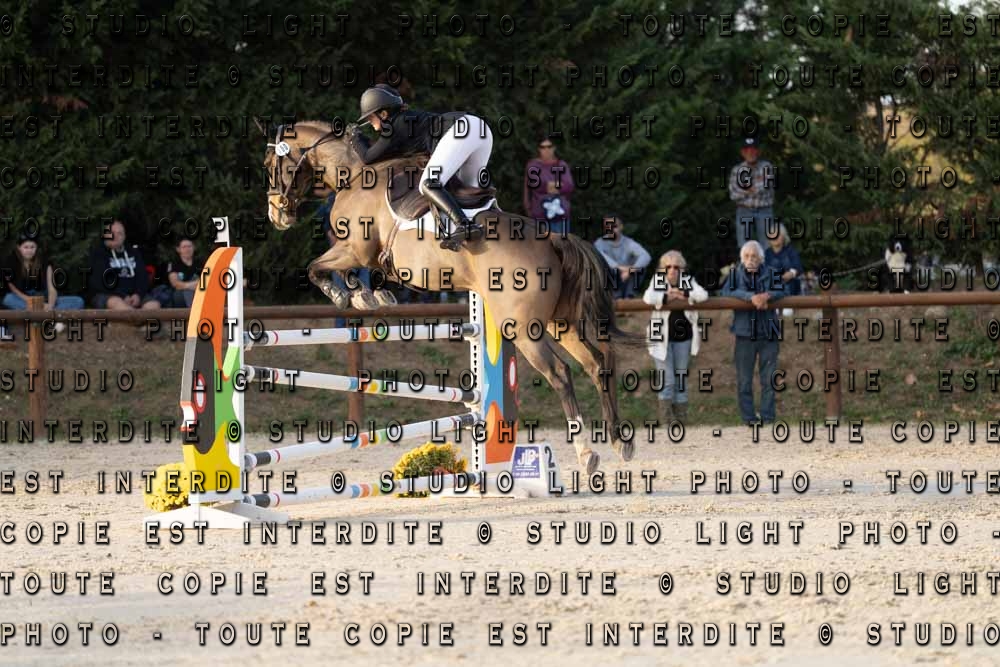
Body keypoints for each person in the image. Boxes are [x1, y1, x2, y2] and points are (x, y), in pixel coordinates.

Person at [349, 84, 493, 251]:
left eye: (370, 117)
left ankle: (464, 226)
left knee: (428, 183)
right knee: (467, 194)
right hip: (479, 130)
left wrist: (355, 137)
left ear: (383, 114)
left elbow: (368, 158)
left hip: (462, 130)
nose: (369, 122)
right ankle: (491, 218)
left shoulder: (394, 127)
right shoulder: (405, 120)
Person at [723, 241, 787, 425]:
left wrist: (767, 296)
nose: (750, 259)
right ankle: (749, 418)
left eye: (754, 256)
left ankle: (768, 418)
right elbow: (726, 291)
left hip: (769, 332)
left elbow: (784, 289)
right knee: (744, 380)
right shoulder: (735, 274)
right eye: (746, 256)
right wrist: (750, 297)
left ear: (761, 258)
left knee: (769, 379)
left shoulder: (772, 272)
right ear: (742, 259)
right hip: (744, 333)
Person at [642, 250, 708, 425]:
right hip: (659, 338)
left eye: (676, 267)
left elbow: (703, 295)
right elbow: (648, 297)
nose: (672, 270)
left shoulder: (687, 280)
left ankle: (681, 420)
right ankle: (666, 421)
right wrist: (667, 297)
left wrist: (684, 294)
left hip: (684, 338)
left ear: (681, 269)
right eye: (668, 266)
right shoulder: (658, 280)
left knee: (680, 379)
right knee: (668, 380)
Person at [3, 232, 84, 332]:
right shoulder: (11, 262)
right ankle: (50, 319)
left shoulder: (44, 262)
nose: (29, 250)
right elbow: (13, 289)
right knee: (8, 299)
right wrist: (34, 303)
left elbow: (52, 289)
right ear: (19, 248)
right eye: (26, 247)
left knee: (78, 301)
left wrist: (50, 306)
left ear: (36, 248)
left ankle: (43, 318)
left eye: (32, 247)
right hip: (24, 299)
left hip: (44, 299)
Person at [88, 219, 161, 312]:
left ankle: (137, 319)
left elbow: (143, 277)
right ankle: (136, 318)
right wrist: (122, 295)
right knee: (117, 304)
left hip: (134, 295)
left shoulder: (134, 253)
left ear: (124, 236)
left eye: (119, 233)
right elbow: (100, 281)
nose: (115, 236)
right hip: (108, 295)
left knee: (154, 305)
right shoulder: (98, 254)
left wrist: (138, 295)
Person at [728, 137, 775, 251]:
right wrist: (755, 184)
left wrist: (743, 187)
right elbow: (733, 195)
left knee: (767, 245)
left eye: (753, 150)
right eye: (747, 150)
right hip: (744, 210)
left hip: (764, 210)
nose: (750, 153)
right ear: (742, 153)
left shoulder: (767, 167)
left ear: (758, 151)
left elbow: (765, 187)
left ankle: (766, 264)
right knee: (744, 246)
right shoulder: (737, 170)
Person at [523, 135, 574, 236]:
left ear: (554, 148)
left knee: (561, 245)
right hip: (539, 216)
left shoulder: (561, 164)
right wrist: (555, 185)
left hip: (560, 217)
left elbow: (569, 186)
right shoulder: (533, 165)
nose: (546, 150)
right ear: (539, 149)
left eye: (549, 147)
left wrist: (549, 186)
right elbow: (535, 185)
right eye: (543, 147)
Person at [593, 216, 651, 299]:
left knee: (641, 268)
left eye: (614, 226)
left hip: (626, 278)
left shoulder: (628, 242)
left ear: (621, 227)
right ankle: (616, 297)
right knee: (606, 268)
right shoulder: (599, 243)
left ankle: (629, 296)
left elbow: (646, 256)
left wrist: (631, 271)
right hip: (611, 281)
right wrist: (622, 268)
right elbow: (603, 259)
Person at [764, 223, 804, 317]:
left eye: (778, 234)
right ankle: (775, 304)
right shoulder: (766, 253)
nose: (775, 237)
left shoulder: (791, 251)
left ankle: (788, 303)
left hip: (789, 284)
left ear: (783, 237)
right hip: (772, 285)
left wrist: (791, 273)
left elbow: (798, 267)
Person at [161, 236, 204, 308]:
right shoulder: (174, 264)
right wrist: (193, 285)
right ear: (178, 249)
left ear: (194, 247)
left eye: (189, 246)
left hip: (198, 292)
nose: (187, 249)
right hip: (179, 294)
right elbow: (175, 284)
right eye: (184, 247)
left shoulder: (200, 263)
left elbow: (206, 281)